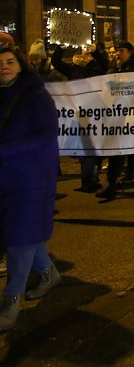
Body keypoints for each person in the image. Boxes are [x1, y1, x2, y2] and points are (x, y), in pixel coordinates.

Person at [0, 36, 62, 331]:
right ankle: (49, 273)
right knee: (21, 231)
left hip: (32, 175)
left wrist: (5, 150)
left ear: (21, 65)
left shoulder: (37, 95)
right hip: (4, 175)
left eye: (10, 61)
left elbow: (46, 136)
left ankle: (11, 300)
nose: (4, 67)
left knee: (19, 238)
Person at [50, 43, 109, 192]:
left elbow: (105, 63)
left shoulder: (96, 68)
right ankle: (89, 181)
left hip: (94, 112)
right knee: (83, 148)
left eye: (87, 53)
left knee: (88, 147)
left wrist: (95, 51)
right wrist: (61, 48)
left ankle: (91, 181)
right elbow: (56, 62)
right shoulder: (73, 69)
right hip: (78, 112)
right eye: (83, 53)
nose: (84, 56)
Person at [97, 41, 134, 199]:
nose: (119, 53)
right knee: (118, 150)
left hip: (131, 115)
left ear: (130, 53)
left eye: (122, 50)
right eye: (117, 50)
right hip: (117, 115)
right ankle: (112, 183)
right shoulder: (115, 67)